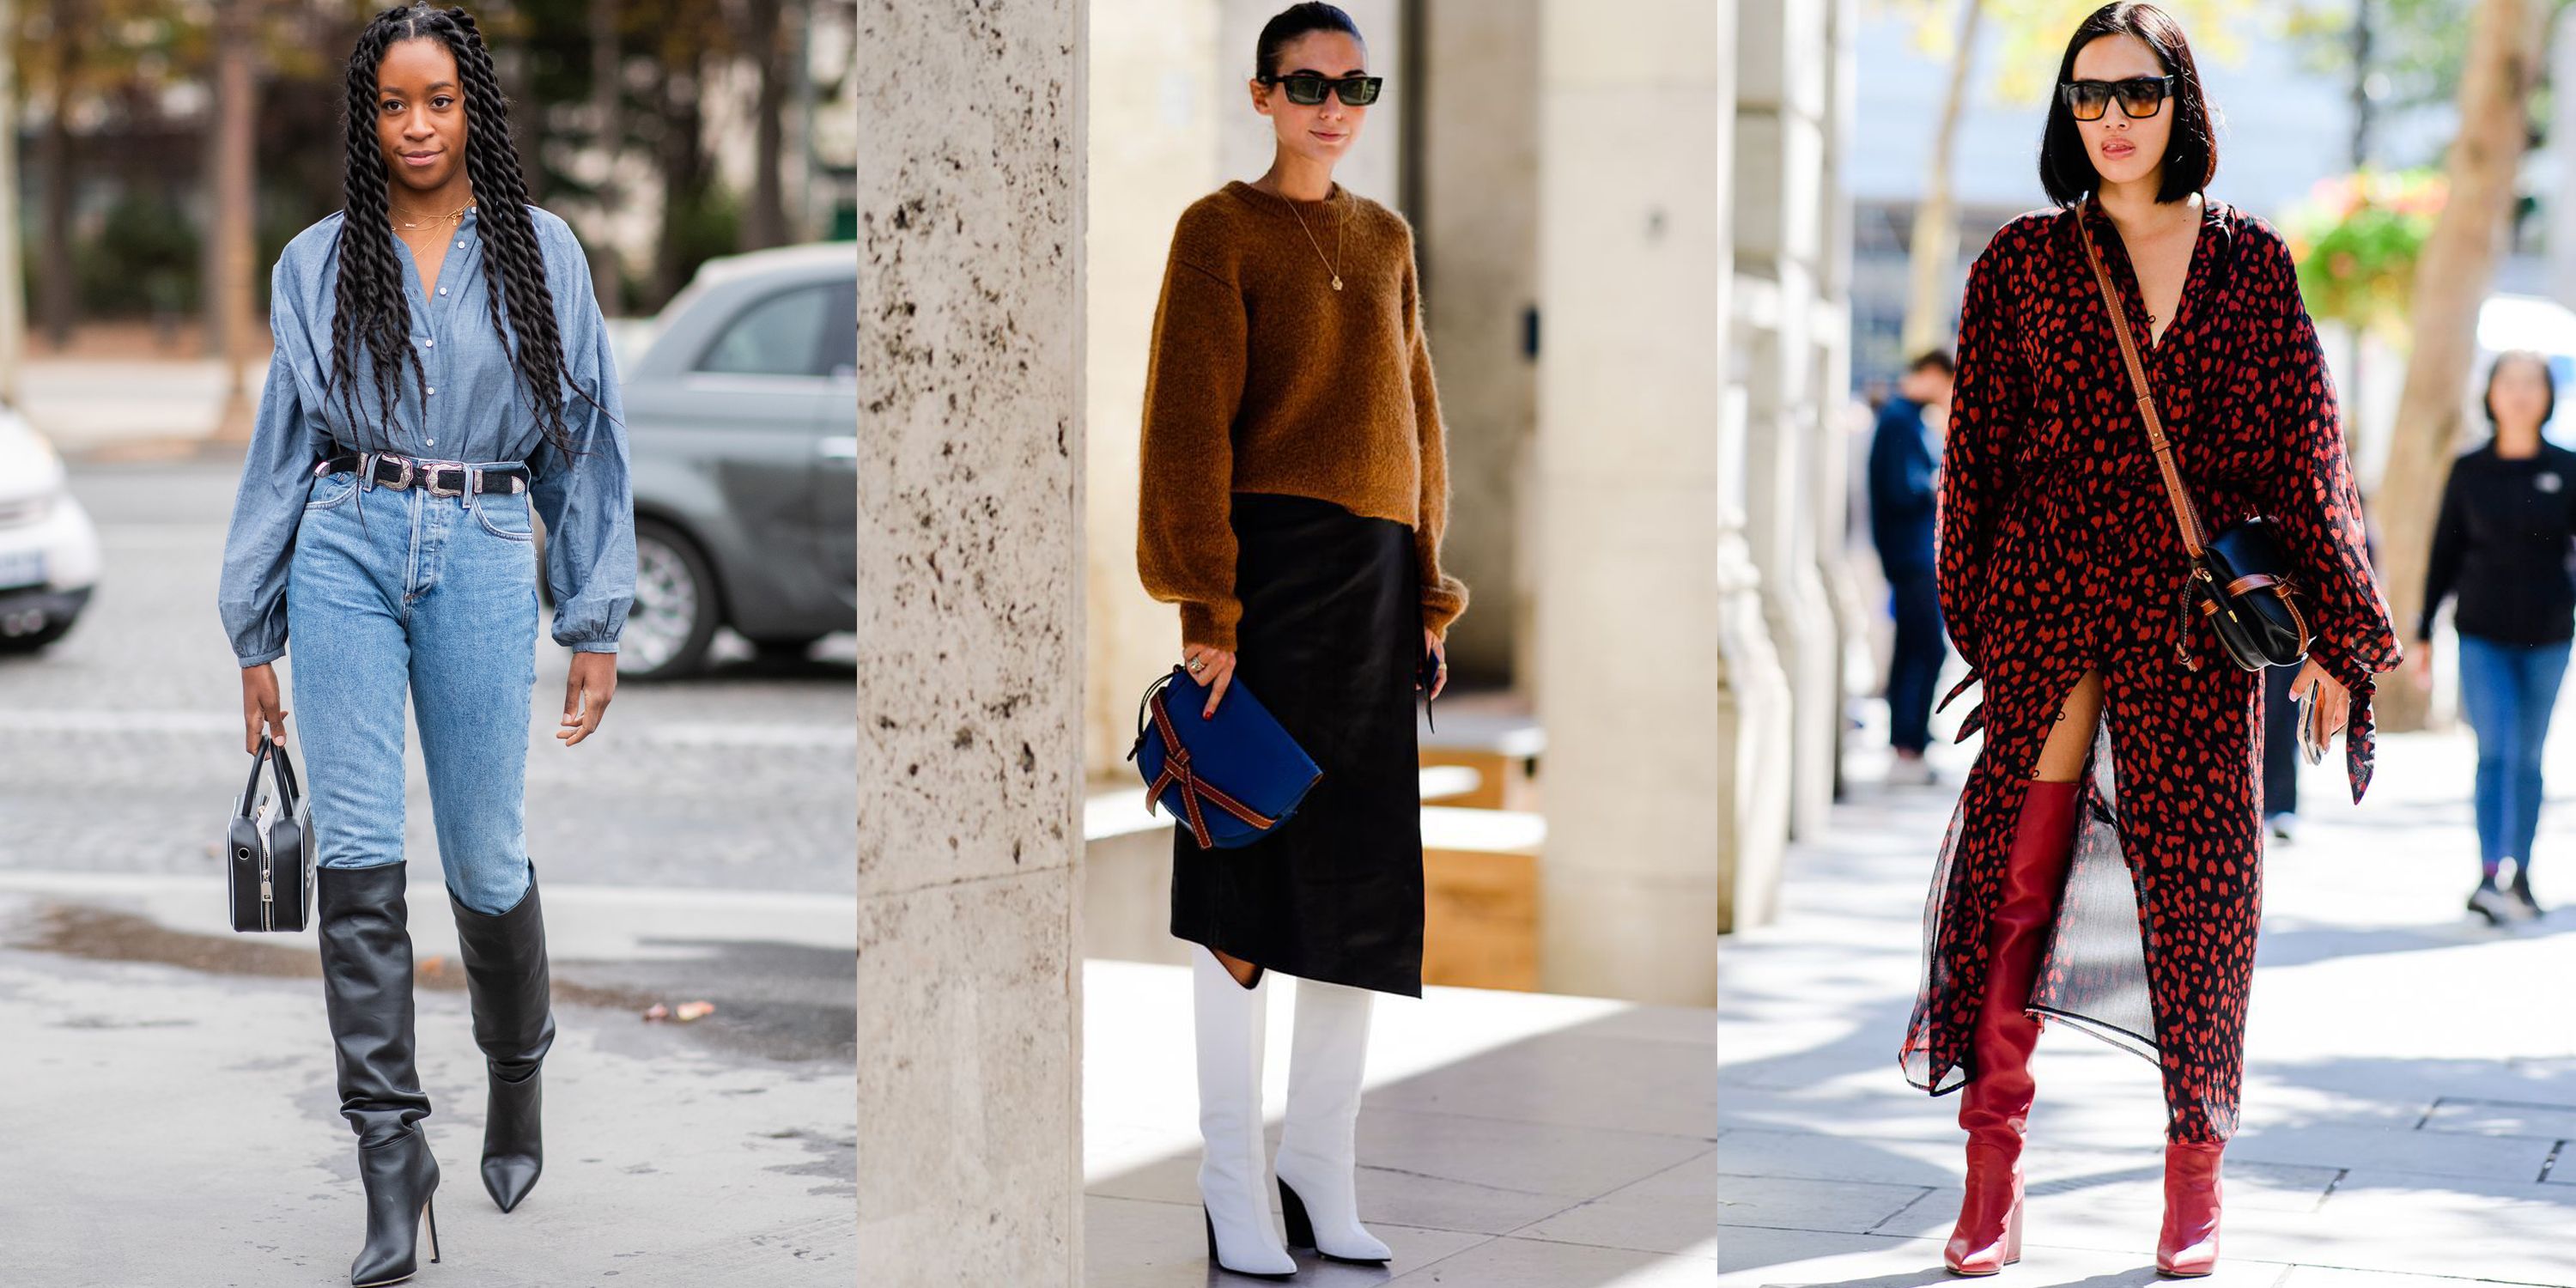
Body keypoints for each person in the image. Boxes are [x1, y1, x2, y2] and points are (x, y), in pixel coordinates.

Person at [1901, 3, 2400, 1276]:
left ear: (2183, 100)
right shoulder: (2019, 263)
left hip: (2188, 625)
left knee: (2201, 901)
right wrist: (1986, 626)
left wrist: (2342, 638)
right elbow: (1979, 466)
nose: (2112, 120)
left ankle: (2193, 1177)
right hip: (2054, 602)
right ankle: (1992, 1169)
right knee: (2018, 882)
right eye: (2087, 98)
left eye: (2137, 92)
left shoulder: (2253, 265)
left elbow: (2308, 461)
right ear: (2066, 114)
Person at [216, 5, 633, 1283]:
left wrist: (594, 618)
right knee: (355, 853)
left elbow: (582, 435)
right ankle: (392, 1163)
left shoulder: (542, 254)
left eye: (438, 101)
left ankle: (517, 1072)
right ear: (366, 115)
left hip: (487, 547)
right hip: (345, 539)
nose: (415, 127)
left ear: (473, 108)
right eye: (393, 104)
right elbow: (283, 450)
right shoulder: (313, 263)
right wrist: (254, 635)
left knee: (486, 853)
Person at [1134, 3, 1466, 1276]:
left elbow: (1420, 423)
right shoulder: (1217, 232)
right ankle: (1231, 1183)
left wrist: (1430, 597)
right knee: (1242, 876)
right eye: (1309, 82)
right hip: (1267, 590)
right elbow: (1184, 425)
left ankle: (1319, 1172)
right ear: (1261, 93)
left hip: (1378, 591)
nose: (1335, 104)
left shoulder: (1386, 239)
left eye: (1355, 84)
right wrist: (1204, 606)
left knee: (1361, 899)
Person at [2415, 349, 2574, 926]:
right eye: (2510, 381)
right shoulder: (2469, 468)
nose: (2521, 393)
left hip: (2551, 636)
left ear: (2547, 396)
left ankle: (2523, 875)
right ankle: (2488, 874)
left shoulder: (2568, 466)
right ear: (2492, 392)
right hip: (2481, 635)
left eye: (2533, 383)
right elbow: (2443, 552)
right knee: (2496, 751)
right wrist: (2423, 630)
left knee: (2529, 758)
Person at [1871, 350, 1957, 786]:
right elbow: (1904, 489)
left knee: (1915, 649)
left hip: (1911, 555)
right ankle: (1908, 747)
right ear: (1930, 375)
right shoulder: (1900, 421)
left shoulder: (1903, 419)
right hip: (1913, 556)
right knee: (1925, 648)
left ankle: (1908, 742)